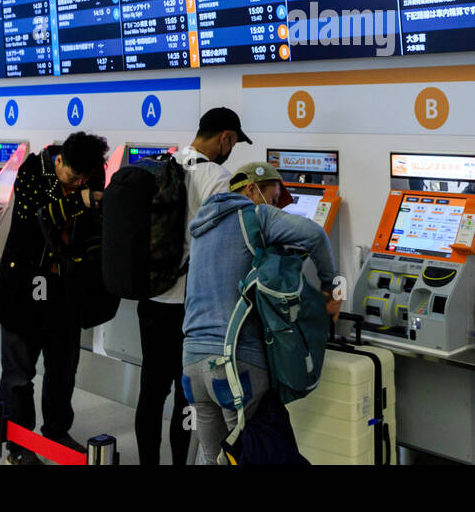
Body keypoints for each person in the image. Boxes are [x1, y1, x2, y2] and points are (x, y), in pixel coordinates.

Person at [182, 161, 342, 464]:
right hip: (233, 364)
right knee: (252, 454)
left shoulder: (201, 229)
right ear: (251, 189)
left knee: (214, 457)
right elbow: (316, 236)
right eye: (273, 196)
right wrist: (332, 289)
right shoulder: (253, 215)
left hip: (192, 365)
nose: (275, 206)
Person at [134, 107, 248, 466]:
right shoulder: (216, 176)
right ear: (225, 138)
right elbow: (229, 242)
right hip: (190, 306)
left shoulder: (162, 166)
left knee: (151, 392)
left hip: (151, 297)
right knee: (188, 399)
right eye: (233, 142)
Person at [0, 131, 108, 464]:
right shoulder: (32, 171)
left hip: (65, 291)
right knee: (18, 375)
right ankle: (19, 444)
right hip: (23, 289)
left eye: (86, 178)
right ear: (60, 161)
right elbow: (33, 217)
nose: (80, 181)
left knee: (63, 370)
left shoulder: (91, 176)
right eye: (74, 176)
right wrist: (81, 200)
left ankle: (56, 431)